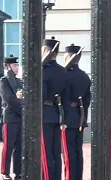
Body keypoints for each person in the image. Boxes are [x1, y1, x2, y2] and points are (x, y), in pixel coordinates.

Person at [61, 44, 91, 180]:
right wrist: (84, 120)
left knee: (68, 152)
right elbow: (87, 101)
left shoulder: (65, 75)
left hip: (67, 116)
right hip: (80, 116)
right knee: (78, 151)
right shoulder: (84, 76)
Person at [41, 36, 69, 180]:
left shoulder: (43, 71)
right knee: (55, 152)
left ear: (46, 50)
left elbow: (41, 96)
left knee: (45, 153)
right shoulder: (63, 71)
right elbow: (66, 97)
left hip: (44, 114)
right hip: (58, 115)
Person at [0, 55, 23, 180]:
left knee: (19, 147)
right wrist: (23, 110)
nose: (17, 67)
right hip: (10, 117)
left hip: (20, 118)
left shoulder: (19, 81)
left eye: (17, 65)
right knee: (8, 146)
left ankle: (18, 172)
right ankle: (5, 172)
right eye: (14, 65)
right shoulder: (3, 81)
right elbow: (10, 99)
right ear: (7, 67)